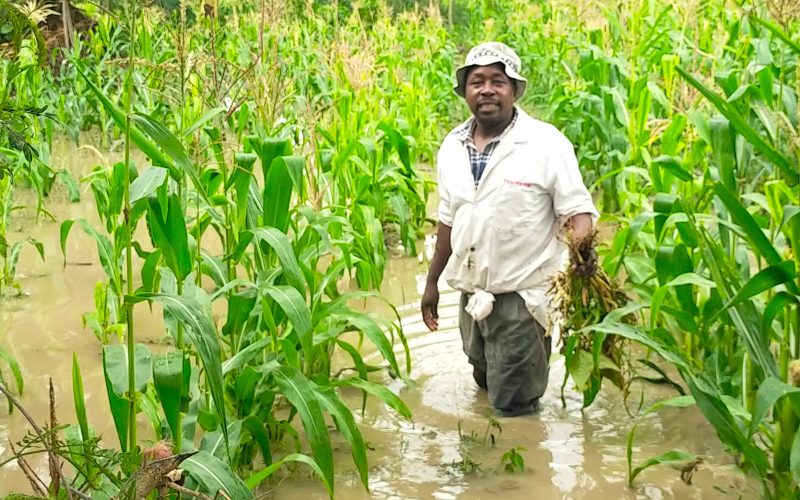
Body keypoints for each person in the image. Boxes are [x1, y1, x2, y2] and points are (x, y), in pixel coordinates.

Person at [421, 42, 599, 417]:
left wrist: (584, 257)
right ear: (464, 91)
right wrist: (432, 282)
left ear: (515, 90)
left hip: (523, 300)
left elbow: (577, 209)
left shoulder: (545, 144)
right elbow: (448, 220)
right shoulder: (452, 146)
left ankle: (515, 467)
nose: (487, 89)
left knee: (515, 407)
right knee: (482, 379)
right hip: (472, 295)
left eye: (498, 81)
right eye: (477, 81)